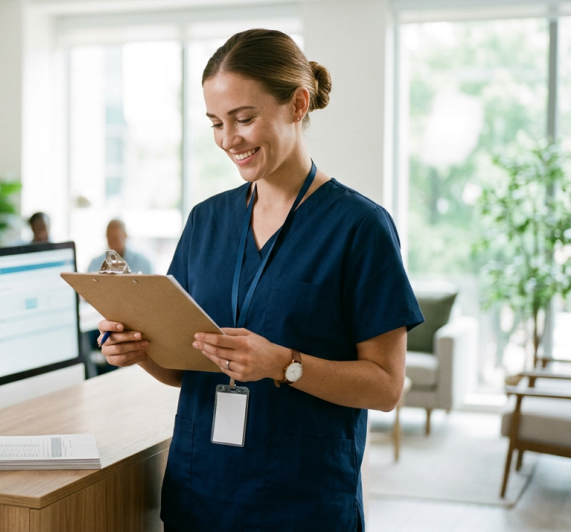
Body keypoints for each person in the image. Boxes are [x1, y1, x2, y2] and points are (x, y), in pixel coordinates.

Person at [96, 29, 423, 531]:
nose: (229, 139)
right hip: (201, 494)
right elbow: (187, 368)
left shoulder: (360, 228)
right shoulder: (206, 221)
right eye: (216, 123)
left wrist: (282, 364)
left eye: (244, 119)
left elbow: (385, 386)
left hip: (302, 504)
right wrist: (140, 351)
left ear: (297, 104)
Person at [88, 219, 153, 274]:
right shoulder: (95, 263)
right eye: (109, 237)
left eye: (115, 237)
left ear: (125, 236)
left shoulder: (143, 263)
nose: (112, 241)